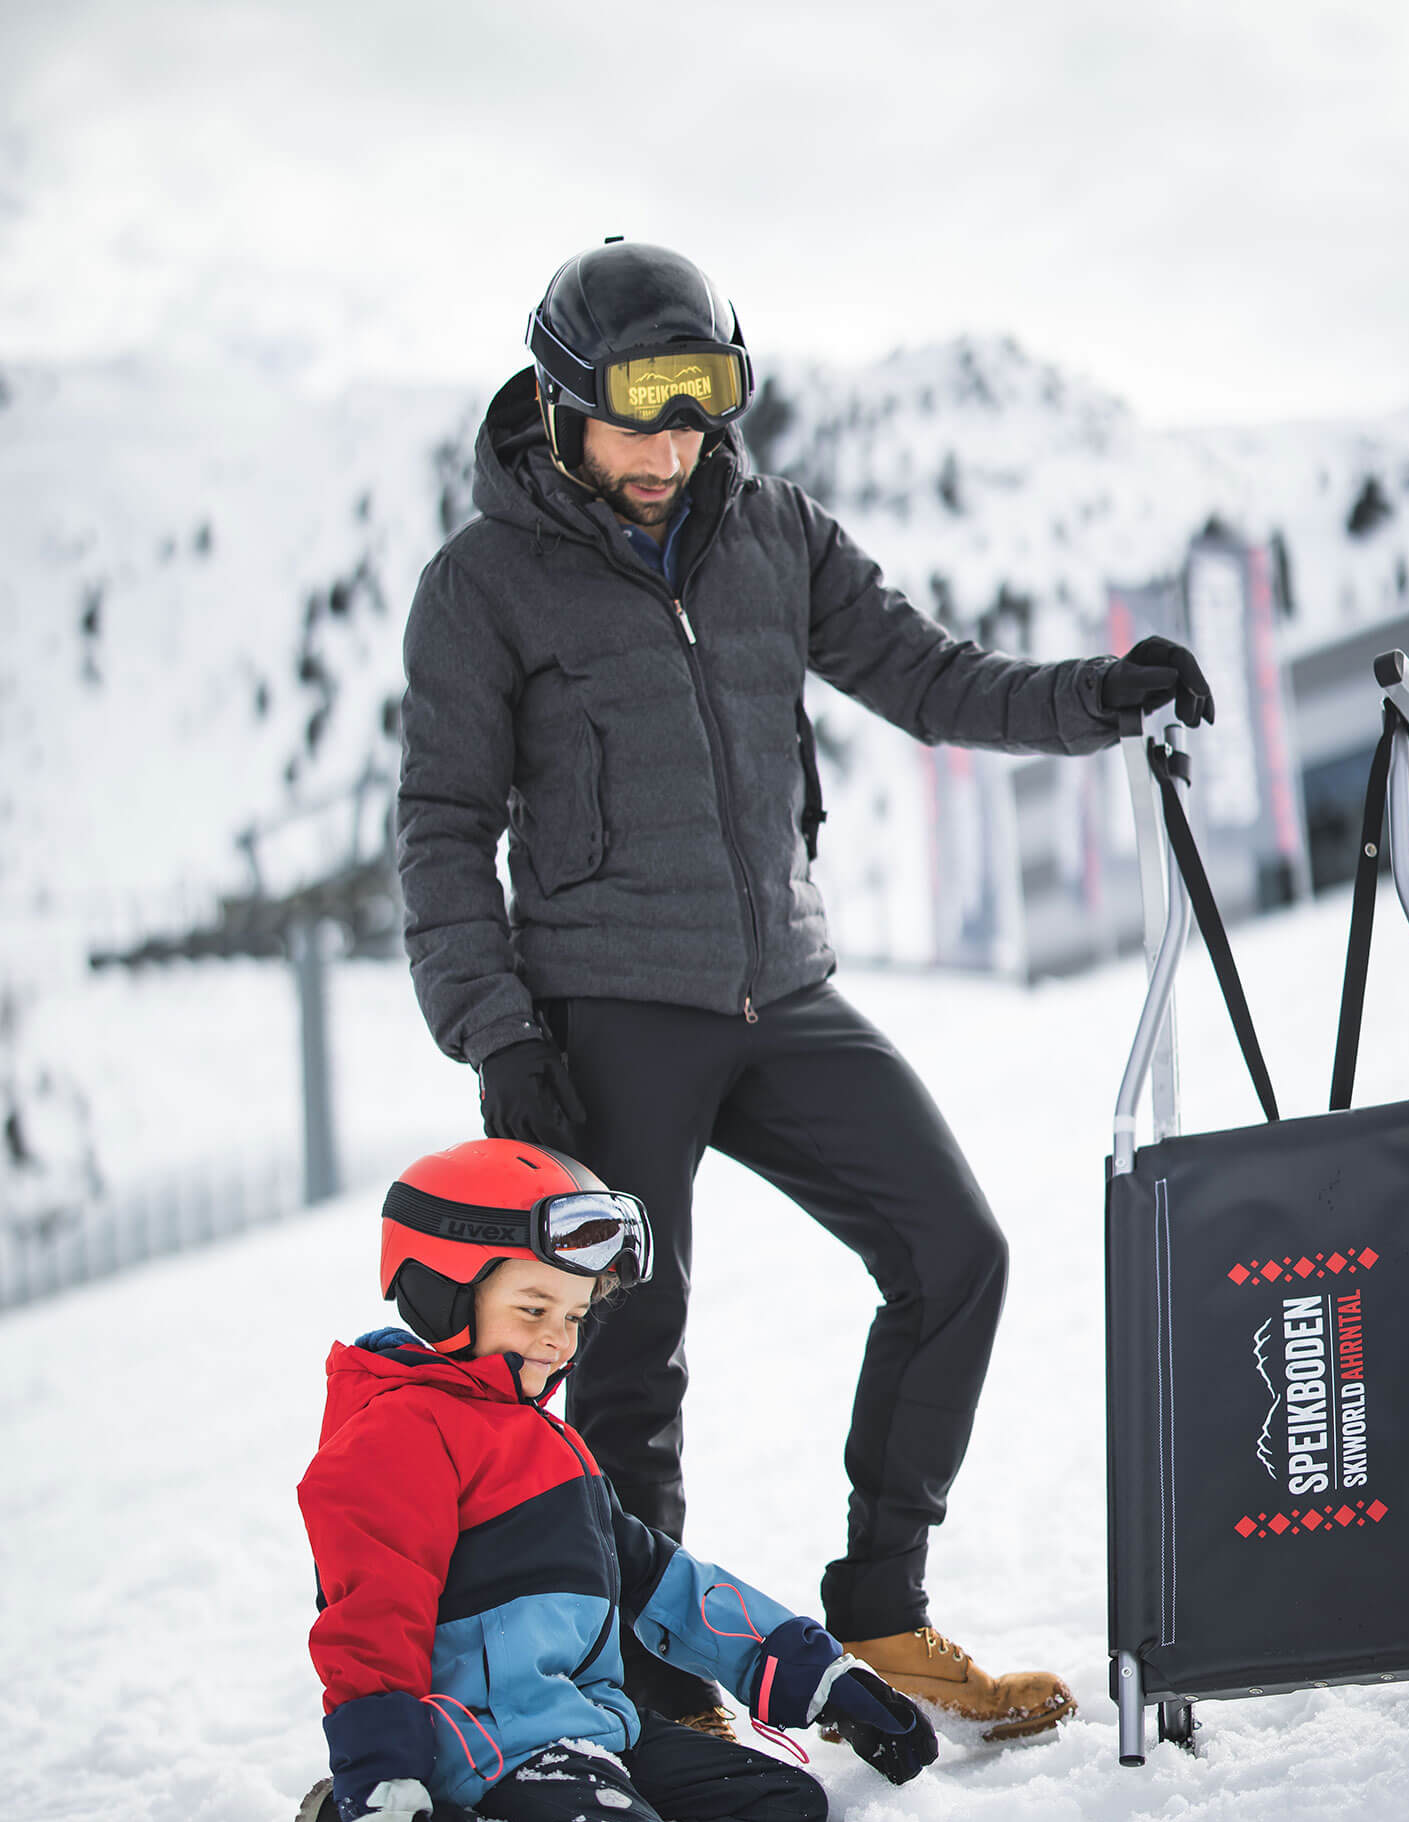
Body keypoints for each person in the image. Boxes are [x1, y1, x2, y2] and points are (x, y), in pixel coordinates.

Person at [396, 239, 1214, 1743]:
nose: (669, 451)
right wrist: (499, 1034)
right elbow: (441, 829)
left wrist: (1096, 698)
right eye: (638, 418)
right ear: (564, 406)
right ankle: (660, 1695)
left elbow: (930, 677)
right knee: (628, 1358)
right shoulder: (483, 585)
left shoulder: (773, 535)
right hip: (604, 1017)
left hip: (780, 987)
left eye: (697, 413)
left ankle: (883, 1612)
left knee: (952, 1250)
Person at [259, 1139, 937, 1822]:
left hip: (590, 1731)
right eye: (533, 1307)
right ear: (441, 1293)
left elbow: (658, 1580)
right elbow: (369, 1630)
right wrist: (381, 1795)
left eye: (574, 1316)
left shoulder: (542, 1441)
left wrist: (820, 1674)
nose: (558, 1339)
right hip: (492, 1749)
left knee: (787, 1812)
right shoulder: (397, 1435)